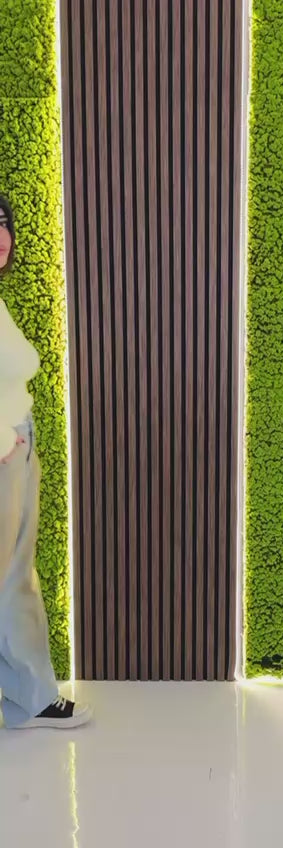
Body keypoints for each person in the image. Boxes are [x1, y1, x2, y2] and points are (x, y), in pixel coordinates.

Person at [0, 194, 91, 729]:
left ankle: (28, 698)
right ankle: (31, 698)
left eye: (4, 223)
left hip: (17, 445)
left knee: (16, 578)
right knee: (10, 579)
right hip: (5, 449)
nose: (2, 235)